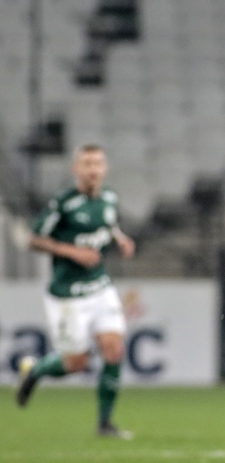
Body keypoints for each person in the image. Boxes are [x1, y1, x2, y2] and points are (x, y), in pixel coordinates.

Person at [17, 144, 137, 439]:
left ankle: (105, 424)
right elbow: (33, 239)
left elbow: (108, 225)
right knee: (76, 363)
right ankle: (35, 371)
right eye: (87, 164)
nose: (93, 169)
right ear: (76, 169)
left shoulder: (109, 198)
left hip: (100, 288)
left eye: (98, 163)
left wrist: (120, 239)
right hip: (67, 295)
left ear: (104, 168)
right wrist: (70, 251)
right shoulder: (63, 203)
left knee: (114, 348)